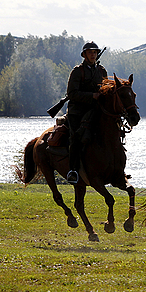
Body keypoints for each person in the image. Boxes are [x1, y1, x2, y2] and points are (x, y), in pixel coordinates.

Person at [65, 41, 107, 184]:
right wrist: (92, 96)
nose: (93, 54)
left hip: (95, 110)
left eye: (95, 52)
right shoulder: (77, 71)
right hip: (77, 111)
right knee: (76, 138)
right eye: (90, 52)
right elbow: (72, 94)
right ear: (84, 55)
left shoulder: (102, 71)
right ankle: (73, 171)